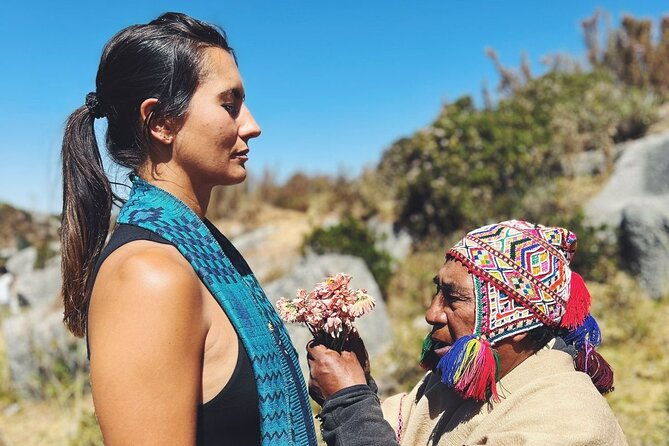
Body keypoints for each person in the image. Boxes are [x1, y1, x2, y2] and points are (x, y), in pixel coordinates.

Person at [60, 12, 317, 445]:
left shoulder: (204, 254)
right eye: (229, 104)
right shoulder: (146, 276)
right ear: (160, 122)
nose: (252, 125)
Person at [307, 220, 627, 445]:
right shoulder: (452, 386)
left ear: (513, 323)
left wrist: (349, 404)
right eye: (436, 292)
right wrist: (357, 384)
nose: (431, 313)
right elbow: (390, 429)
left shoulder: (567, 421)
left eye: (454, 298)